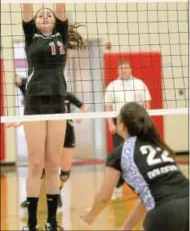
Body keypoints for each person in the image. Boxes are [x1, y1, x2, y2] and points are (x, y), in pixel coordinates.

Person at [11, 0, 85, 231]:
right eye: (39, 15)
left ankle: (52, 221)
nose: (43, 16)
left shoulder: (60, 35)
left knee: (53, 164)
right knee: (35, 164)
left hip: (57, 102)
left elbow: (61, 4)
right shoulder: (31, 36)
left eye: (47, 15)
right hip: (33, 103)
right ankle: (31, 223)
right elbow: (26, 5)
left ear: (55, 22)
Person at [81, 102, 189, 231]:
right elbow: (148, 198)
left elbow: (103, 197)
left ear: (122, 125)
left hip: (165, 214)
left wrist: (90, 217)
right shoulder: (157, 145)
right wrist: (126, 228)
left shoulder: (119, 153)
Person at [15, 75, 87, 208]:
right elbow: (19, 82)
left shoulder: (67, 95)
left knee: (65, 174)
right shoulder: (39, 97)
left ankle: (56, 193)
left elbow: (83, 107)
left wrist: (80, 116)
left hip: (67, 134)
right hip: (50, 135)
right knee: (40, 169)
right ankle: (31, 199)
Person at [104, 60, 152, 200]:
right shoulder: (112, 86)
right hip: (120, 125)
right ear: (117, 70)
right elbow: (107, 107)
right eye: (120, 68)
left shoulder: (139, 83)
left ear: (131, 69)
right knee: (121, 158)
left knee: (138, 156)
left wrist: (146, 121)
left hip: (137, 124)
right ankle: (117, 186)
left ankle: (143, 186)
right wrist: (110, 124)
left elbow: (147, 103)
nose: (123, 70)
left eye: (126, 68)